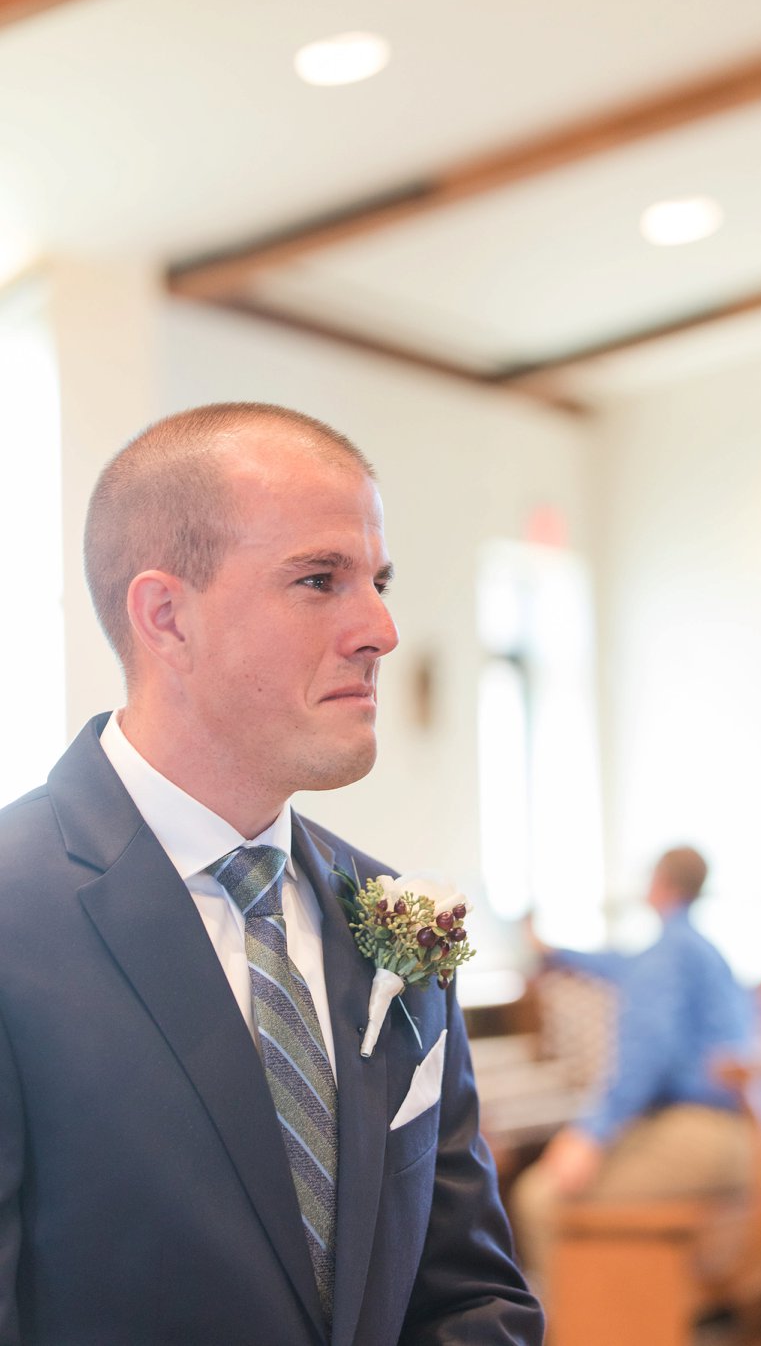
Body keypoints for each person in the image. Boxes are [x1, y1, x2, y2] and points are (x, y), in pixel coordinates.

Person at [0, 403, 543, 1346]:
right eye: (320, 579)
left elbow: (466, 1292)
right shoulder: (16, 906)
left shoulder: (390, 918)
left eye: (377, 580)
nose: (381, 628)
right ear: (166, 616)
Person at [511, 846, 754, 1289]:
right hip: (743, 1135)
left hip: (700, 1135)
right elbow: (621, 964)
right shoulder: (696, 949)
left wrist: (591, 1134)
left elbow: (647, 1052)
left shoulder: (668, 954)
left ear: (659, 884)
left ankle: (577, 1330)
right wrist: (555, 954)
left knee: (538, 1197)